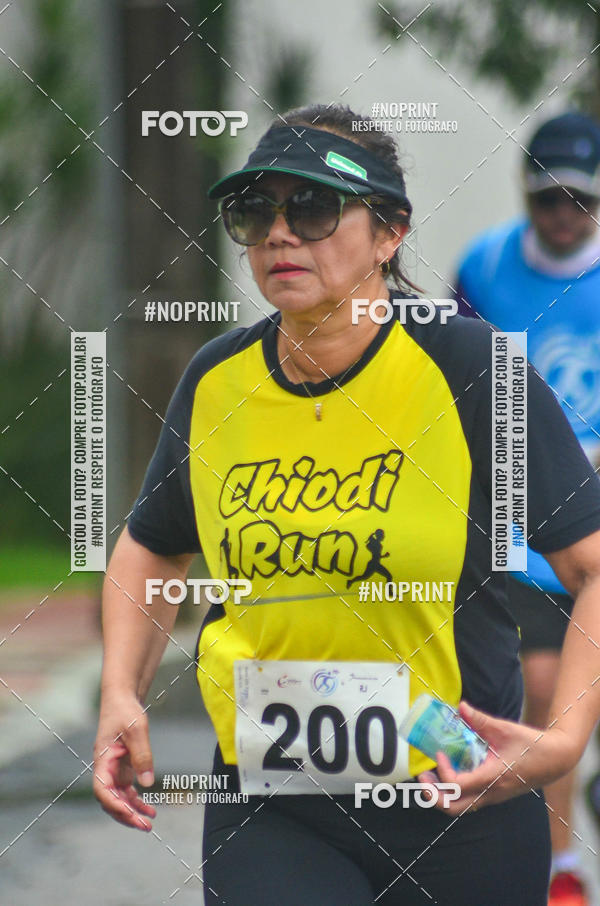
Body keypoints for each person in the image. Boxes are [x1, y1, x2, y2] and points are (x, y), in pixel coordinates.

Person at [93, 103, 600, 906]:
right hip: (271, 796)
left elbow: (592, 565)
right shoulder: (217, 382)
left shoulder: (472, 370)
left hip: (459, 789)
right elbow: (152, 544)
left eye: (316, 207)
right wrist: (121, 689)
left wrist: (564, 739)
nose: (281, 234)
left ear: (390, 232)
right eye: (255, 211)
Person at [455, 111, 600, 906]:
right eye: (548, 200)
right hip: (526, 527)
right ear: (525, 194)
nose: (564, 214)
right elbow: (451, 377)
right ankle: (563, 866)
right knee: (544, 688)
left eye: (579, 199)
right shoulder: (481, 269)